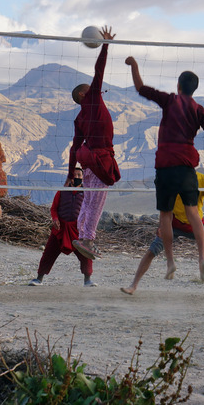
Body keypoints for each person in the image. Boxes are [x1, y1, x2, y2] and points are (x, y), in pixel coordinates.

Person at [125, 55, 204, 282]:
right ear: (194, 90)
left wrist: (134, 65)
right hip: (186, 168)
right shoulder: (199, 109)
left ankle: (171, 261)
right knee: (194, 213)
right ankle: (202, 257)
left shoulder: (170, 100)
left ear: (178, 86)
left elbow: (140, 88)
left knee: (166, 214)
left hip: (165, 166)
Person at [120, 172, 204, 297]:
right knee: (152, 251)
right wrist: (161, 226)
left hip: (197, 225)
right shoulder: (171, 179)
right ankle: (133, 285)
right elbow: (166, 208)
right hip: (174, 224)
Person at [69, 26, 121, 261]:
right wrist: (106, 45)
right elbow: (98, 71)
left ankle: (81, 235)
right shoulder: (92, 100)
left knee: (89, 201)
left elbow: (73, 147)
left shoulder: (80, 117)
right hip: (100, 160)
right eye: (89, 89)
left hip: (88, 163)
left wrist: (71, 172)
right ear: (83, 95)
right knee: (97, 202)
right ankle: (88, 239)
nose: (96, 89)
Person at [29, 167, 97, 287]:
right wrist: (55, 219)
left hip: (78, 231)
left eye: (79, 175)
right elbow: (54, 208)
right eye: (74, 175)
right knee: (49, 253)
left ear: (83, 178)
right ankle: (39, 278)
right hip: (60, 229)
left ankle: (88, 280)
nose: (76, 177)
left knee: (85, 255)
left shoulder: (87, 193)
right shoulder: (62, 191)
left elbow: (91, 211)